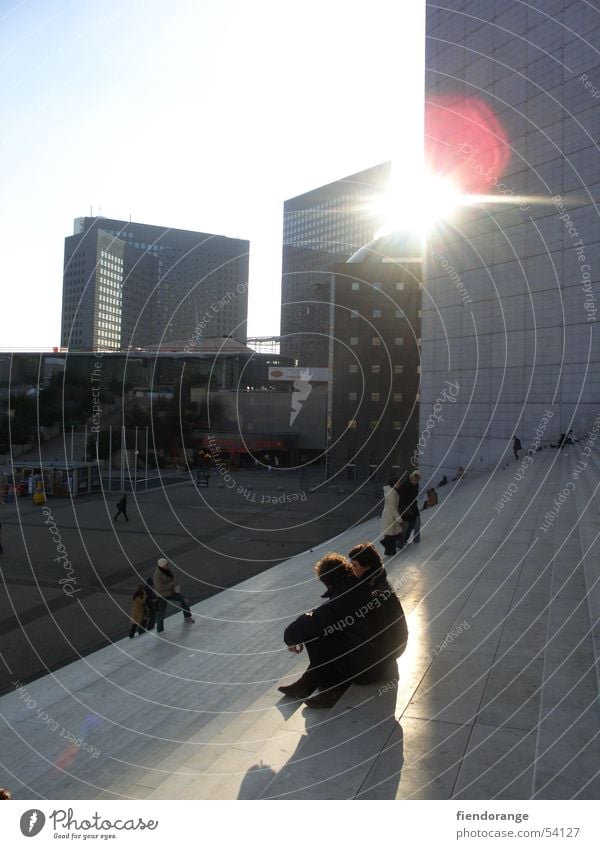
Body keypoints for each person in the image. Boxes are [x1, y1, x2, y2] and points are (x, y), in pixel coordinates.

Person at [278, 553, 381, 708]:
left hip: (367, 668)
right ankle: (306, 683)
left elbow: (303, 626)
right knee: (328, 631)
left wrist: (290, 640)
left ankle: (332, 688)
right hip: (378, 656)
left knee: (318, 635)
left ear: (327, 582)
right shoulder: (360, 587)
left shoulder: (341, 599)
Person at [348, 543, 408, 679]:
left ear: (367, 566)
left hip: (390, 649)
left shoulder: (375, 591)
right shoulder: (376, 579)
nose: (352, 570)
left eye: (355, 566)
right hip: (395, 645)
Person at [153, 557, 195, 632]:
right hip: (162, 595)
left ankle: (187, 616)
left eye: (167, 564)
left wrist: (175, 585)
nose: (167, 565)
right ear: (161, 566)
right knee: (161, 612)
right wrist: (172, 584)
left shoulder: (167, 570)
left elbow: (174, 578)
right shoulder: (157, 575)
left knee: (183, 599)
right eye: (166, 565)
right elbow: (160, 587)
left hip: (171, 592)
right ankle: (160, 629)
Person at [380, 477, 403, 556]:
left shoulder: (392, 492)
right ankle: (390, 551)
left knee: (391, 535)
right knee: (390, 535)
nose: (399, 484)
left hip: (390, 516)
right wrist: (400, 519)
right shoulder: (391, 493)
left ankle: (390, 550)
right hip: (389, 516)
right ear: (394, 483)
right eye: (398, 483)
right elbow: (393, 508)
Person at [397, 471, 421, 549]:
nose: (415, 482)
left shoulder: (416, 485)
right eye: (414, 480)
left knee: (415, 522)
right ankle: (401, 541)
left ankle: (415, 539)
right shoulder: (405, 486)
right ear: (411, 479)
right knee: (407, 525)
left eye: (417, 480)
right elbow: (402, 498)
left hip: (413, 508)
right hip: (406, 508)